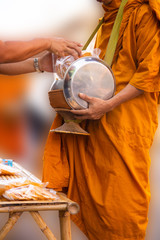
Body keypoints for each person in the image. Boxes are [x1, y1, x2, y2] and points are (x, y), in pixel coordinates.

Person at [43, 0, 160, 239]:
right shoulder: (108, 17)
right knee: (100, 205)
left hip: (125, 124)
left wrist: (109, 104)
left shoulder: (142, 13)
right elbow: (108, 72)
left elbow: (150, 72)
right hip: (99, 122)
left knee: (122, 204)